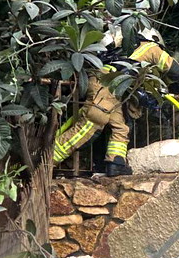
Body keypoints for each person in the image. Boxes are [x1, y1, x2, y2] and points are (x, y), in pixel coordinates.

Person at [52, 29, 133, 176]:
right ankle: (48, 161)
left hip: (109, 90)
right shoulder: (115, 68)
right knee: (87, 125)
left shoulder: (108, 68)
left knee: (120, 127)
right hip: (104, 88)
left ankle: (116, 162)